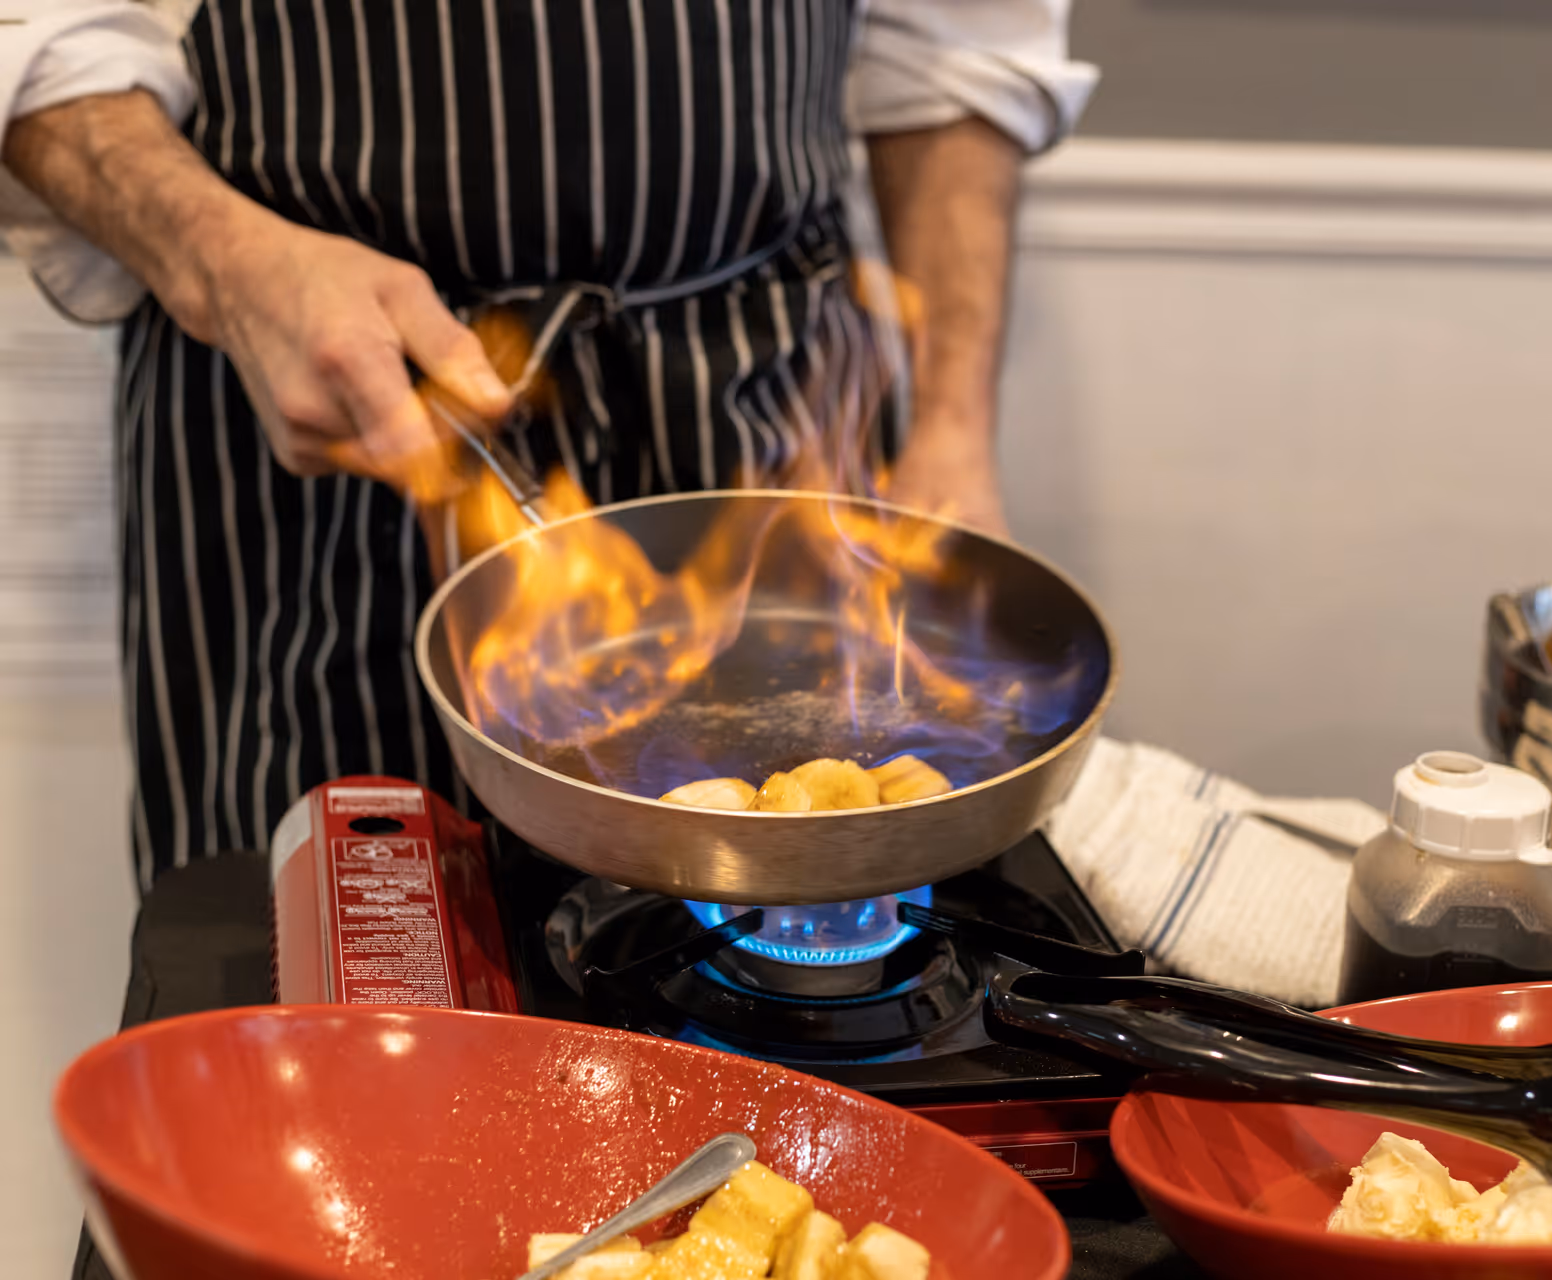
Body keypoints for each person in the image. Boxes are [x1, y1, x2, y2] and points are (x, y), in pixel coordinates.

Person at [0, 0, 1096, 887]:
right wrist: (229, 266)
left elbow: (955, 49)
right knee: (330, 989)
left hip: (762, 404)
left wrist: (951, 431)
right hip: (319, 411)